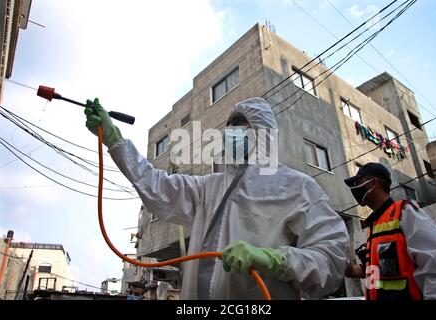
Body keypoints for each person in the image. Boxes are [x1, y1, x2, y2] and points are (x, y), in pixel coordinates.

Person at [84, 97, 350, 299]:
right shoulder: (209, 186)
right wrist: (115, 140)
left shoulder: (297, 187)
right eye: (229, 125)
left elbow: (331, 259)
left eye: (240, 124)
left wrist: (276, 259)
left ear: (262, 132)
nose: (230, 131)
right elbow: (158, 186)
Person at [344, 162, 436, 300]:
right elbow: (375, 270)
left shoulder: (405, 212)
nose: (355, 188)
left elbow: (434, 265)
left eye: (358, 182)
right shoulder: (375, 226)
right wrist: (345, 265)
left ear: (373, 183)